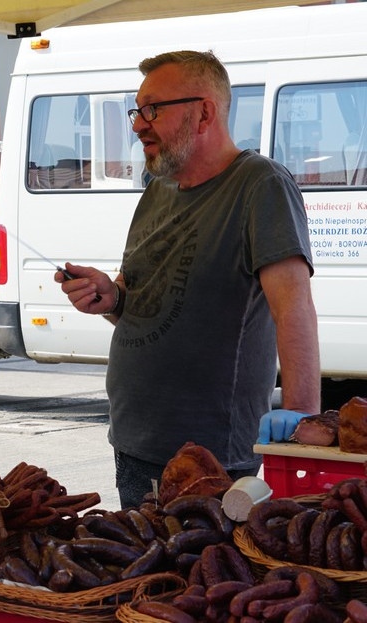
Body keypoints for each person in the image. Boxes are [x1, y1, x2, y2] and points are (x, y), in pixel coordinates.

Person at [56, 50, 320, 508]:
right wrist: (112, 296)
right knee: (141, 555)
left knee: (205, 557)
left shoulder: (260, 184)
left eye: (153, 110)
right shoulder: (158, 188)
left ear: (204, 113)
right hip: (135, 438)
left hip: (210, 455)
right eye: (137, 112)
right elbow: (145, 296)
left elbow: (293, 310)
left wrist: (300, 417)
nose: (138, 126)